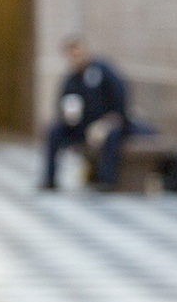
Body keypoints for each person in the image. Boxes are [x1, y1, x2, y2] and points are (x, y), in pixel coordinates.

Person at [42, 36, 133, 191]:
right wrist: (66, 116)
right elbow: (61, 104)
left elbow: (120, 97)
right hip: (80, 126)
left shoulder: (103, 71)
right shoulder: (70, 79)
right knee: (53, 131)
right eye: (72, 55)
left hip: (106, 123)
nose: (76, 58)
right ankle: (49, 179)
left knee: (111, 134)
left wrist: (107, 121)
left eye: (78, 53)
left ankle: (106, 180)